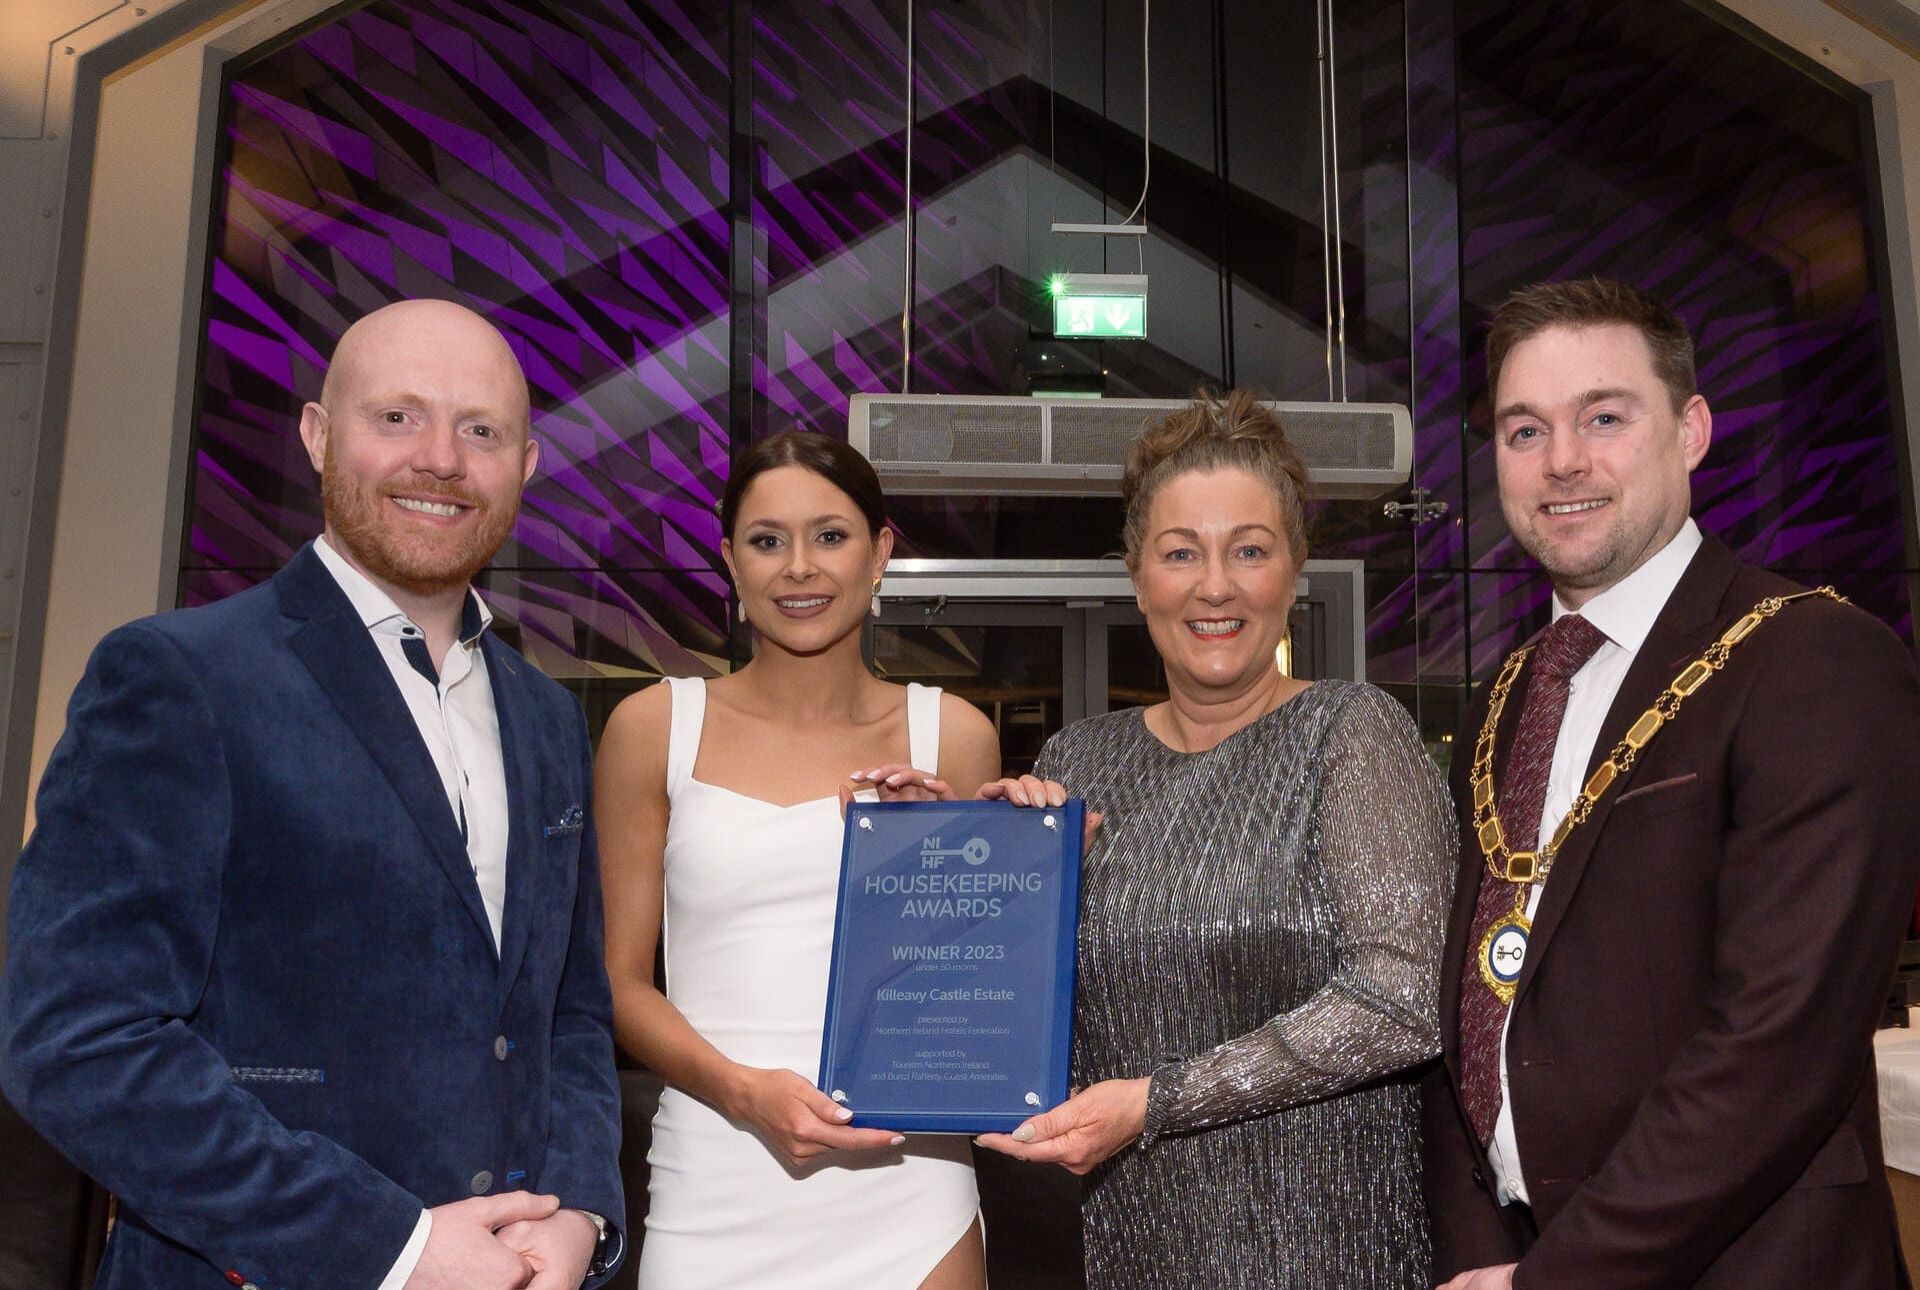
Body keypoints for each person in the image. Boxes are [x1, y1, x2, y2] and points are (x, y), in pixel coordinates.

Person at [1, 299, 625, 1289]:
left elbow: (567, 1016)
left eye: (481, 431)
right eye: (396, 418)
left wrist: (580, 1211)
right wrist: (393, 1247)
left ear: (528, 465)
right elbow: (75, 1042)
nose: (440, 459)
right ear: (317, 435)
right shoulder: (177, 677)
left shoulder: (546, 717)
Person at [1423, 277, 1920, 1289]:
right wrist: (1485, 1257)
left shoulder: (1812, 658)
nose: (1563, 460)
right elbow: (1467, 998)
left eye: (1604, 417)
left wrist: (1559, 1277)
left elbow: (1780, 1042)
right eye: (1525, 431)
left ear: (1691, 429)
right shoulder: (1513, 691)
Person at [974, 391, 1456, 1288]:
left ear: (1295, 568)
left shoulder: (1351, 732)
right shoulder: (1079, 760)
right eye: (1181, 553)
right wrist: (965, 861)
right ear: (1136, 574)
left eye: (1249, 550)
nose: (1215, 586)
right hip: (1139, 1252)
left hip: (1328, 1255)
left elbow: (1404, 997)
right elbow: (1029, 1033)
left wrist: (1158, 1102)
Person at [594, 430, 1002, 1288]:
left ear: (881, 551)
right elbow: (620, 985)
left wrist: (1032, 856)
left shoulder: (953, 737)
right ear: (730, 563)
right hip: (716, 1175)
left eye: (831, 535)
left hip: (908, 1182)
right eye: (767, 541)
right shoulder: (653, 730)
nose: (799, 568)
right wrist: (743, 1093)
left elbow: (974, 992)